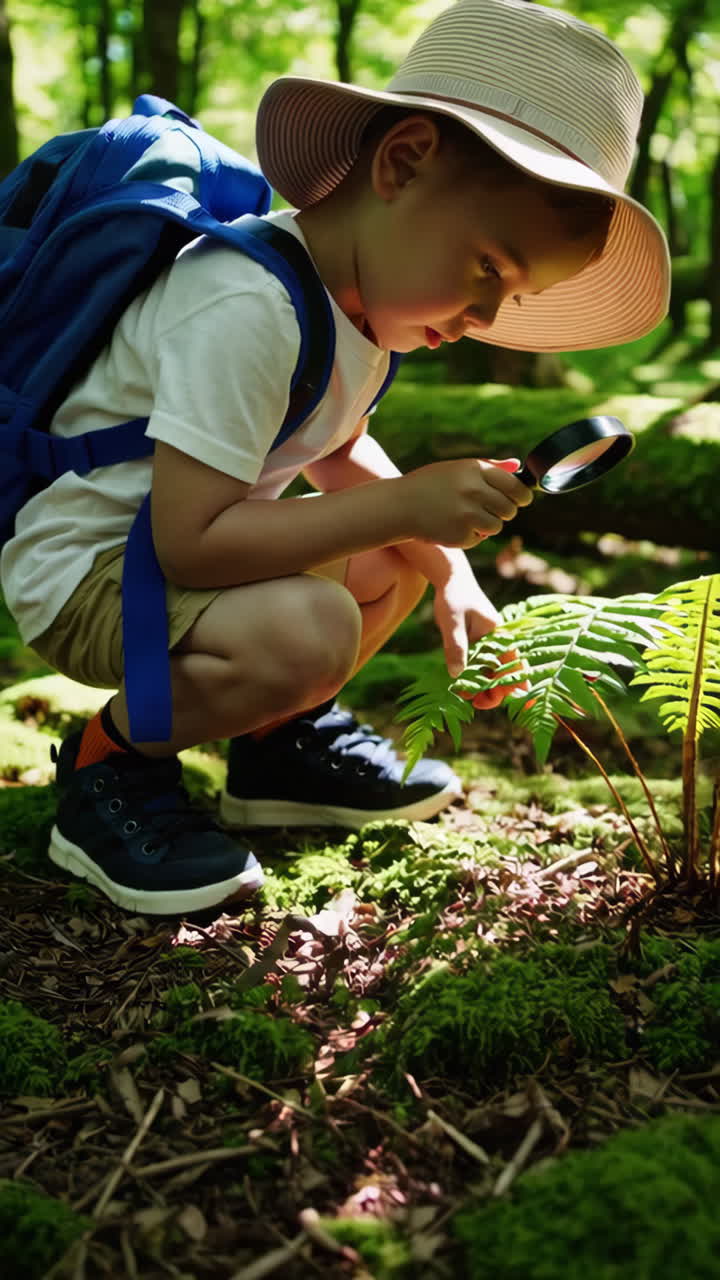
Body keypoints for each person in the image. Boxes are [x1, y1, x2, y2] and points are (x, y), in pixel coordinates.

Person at [0, 0, 670, 916]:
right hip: (92, 573)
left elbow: (341, 452)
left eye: (512, 298)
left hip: (167, 564)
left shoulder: (357, 319)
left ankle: (275, 747)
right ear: (401, 164)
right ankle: (108, 766)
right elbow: (190, 544)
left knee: (400, 562)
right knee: (317, 624)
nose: (484, 321)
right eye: (487, 266)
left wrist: (452, 573)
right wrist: (406, 510)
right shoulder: (245, 302)